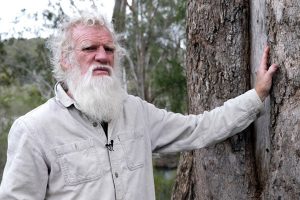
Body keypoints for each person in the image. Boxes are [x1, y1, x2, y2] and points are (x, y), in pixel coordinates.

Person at [0, 11, 278, 200]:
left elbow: (199, 128)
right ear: (65, 59)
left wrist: (256, 96)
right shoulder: (33, 130)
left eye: (109, 49)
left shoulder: (136, 111)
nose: (102, 56)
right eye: (89, 48)